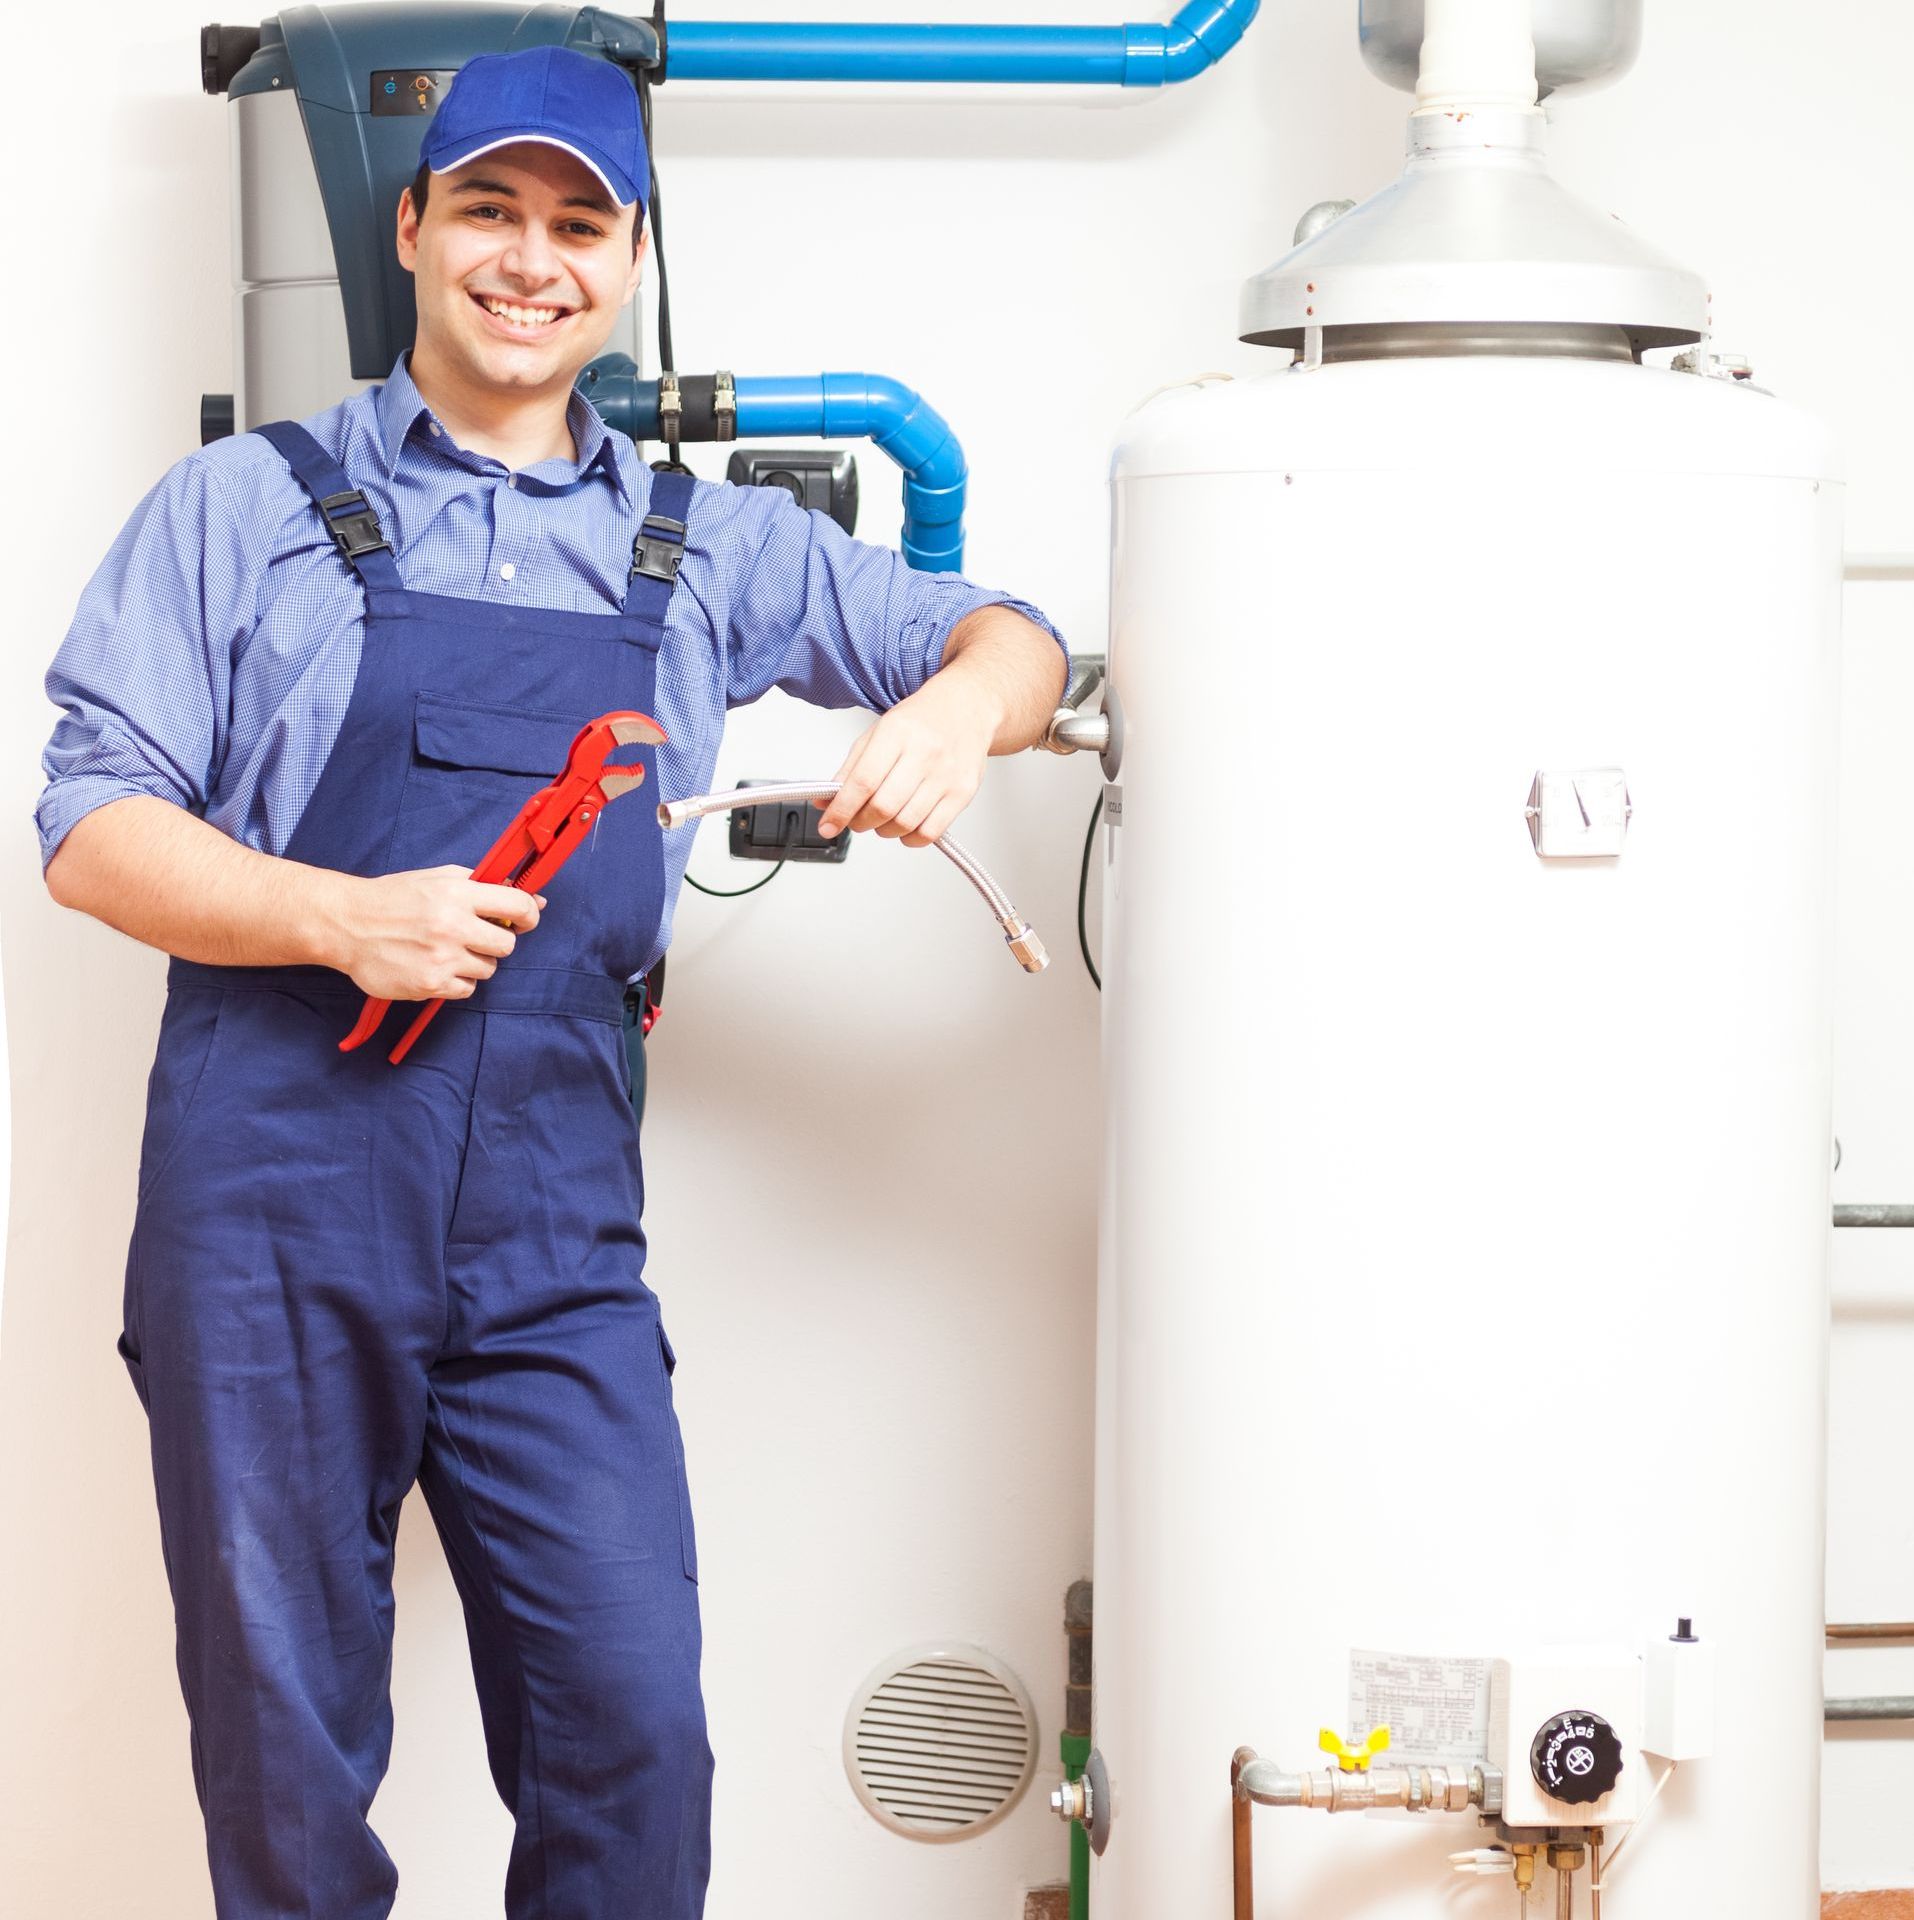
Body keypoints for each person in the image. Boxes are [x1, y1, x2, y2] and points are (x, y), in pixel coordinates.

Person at [36, 44, 1068, 1920]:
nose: (534, 260)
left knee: (632, 1742)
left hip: (549, 1232)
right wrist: (339, 919)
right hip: (272, 1208)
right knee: (283, 1756)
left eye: (580, 222)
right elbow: (93, 826)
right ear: (411, 228)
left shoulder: (703, 543)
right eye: (491, 211)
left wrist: (953, 718)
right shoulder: (241, 506)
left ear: (632, 258)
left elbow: (1017, 636)